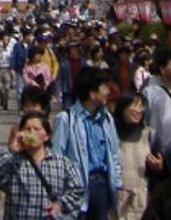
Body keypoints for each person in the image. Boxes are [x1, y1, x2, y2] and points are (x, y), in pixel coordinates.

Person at [0, 111, 85, 220]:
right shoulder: (12, 161)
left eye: (36, 129)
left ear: (47, 135)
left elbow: (77, 191)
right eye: (27, 129)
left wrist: (60, 205)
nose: (32, 132)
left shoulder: (61, 162)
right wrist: (11, 150)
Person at [51, 66, 123, 220]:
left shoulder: (107, 119)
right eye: (104, 87)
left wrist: (116, 182)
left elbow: (114, 153)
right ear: (92, 93)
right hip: (75, 188)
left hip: (102, 185)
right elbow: (56, 157)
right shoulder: (66, 119)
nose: (108, 91)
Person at [112, 93, 163, 220]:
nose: (139, 110)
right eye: (135, 105)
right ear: (123, 108)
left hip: (142, 199)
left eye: (141, 106)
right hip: (116, 198)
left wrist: (158, 166)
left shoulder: (150, 135)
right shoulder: (110, 133)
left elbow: (160, 170)